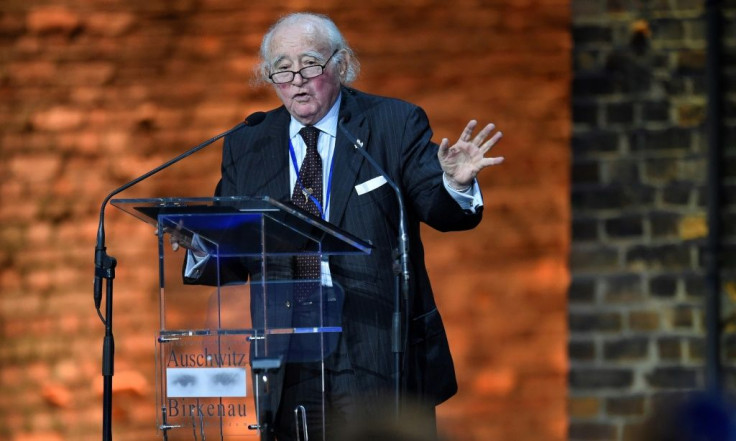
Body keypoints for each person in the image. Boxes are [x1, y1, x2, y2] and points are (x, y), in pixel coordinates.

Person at [180, 11, 504, 441]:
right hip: (286, 351)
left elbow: (439, 208)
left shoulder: (392, 123)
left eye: (310, 64)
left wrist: (454, 184)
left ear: (341, 64)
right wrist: (196, 241)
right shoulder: (249, 141)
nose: (296, 79)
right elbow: (231, 250)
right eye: (282, 68)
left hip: (377, 347)